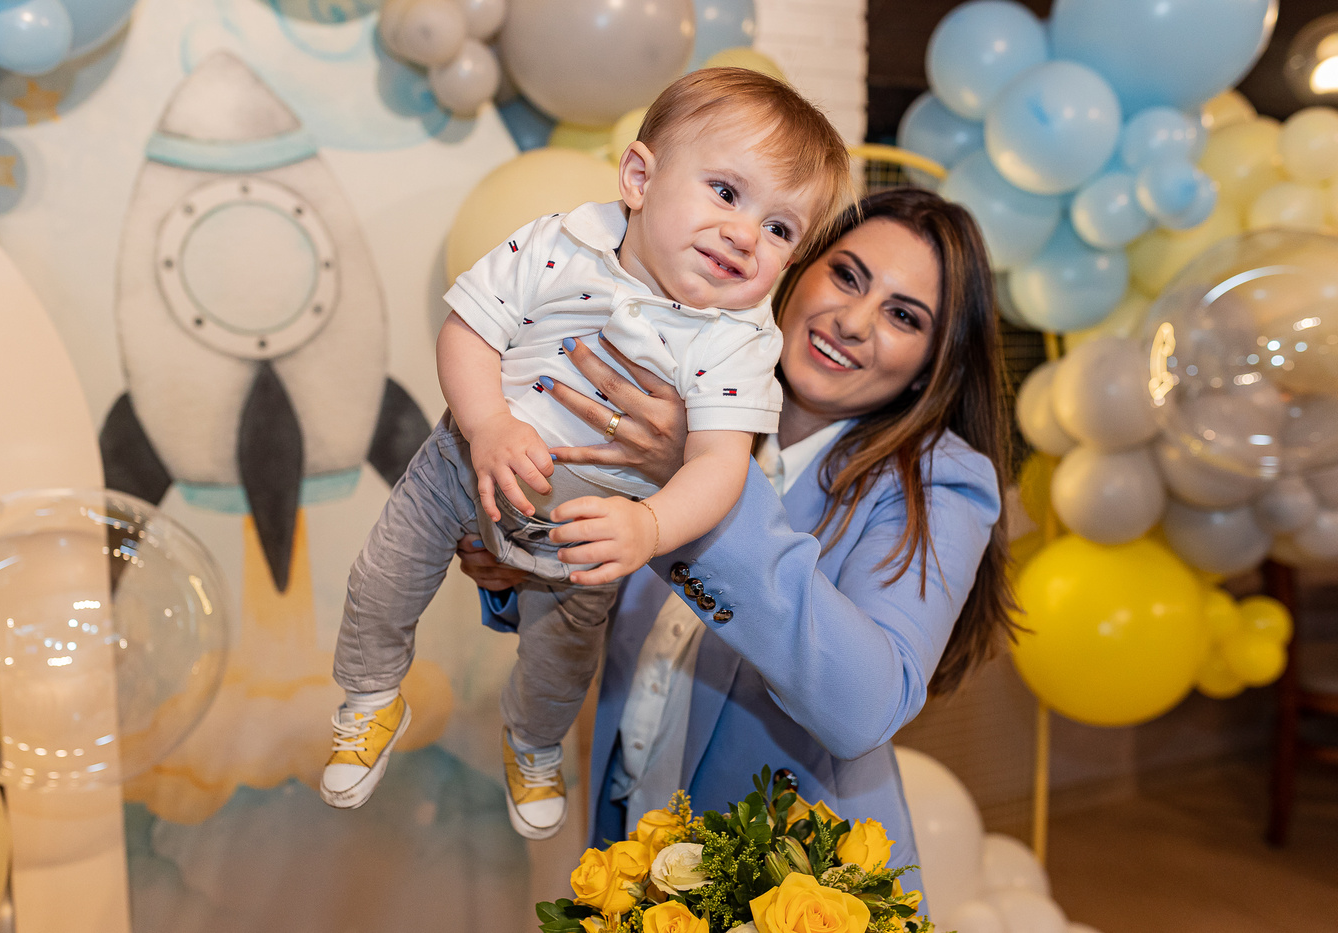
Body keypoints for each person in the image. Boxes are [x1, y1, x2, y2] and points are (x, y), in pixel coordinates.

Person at [320, 68, 853, 840]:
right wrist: (488, 424)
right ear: (639, 177)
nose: (746, 235)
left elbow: (719, 465)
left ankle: (533, 746)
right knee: (382, 579)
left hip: (590, 524)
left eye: (780, 229)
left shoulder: (739, 339)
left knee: (561, 663)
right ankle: (370, 697)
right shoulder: (560, 244)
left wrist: (649, 528)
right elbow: (469, 330)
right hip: (465, 462)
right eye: (726, 193)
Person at [460, 186, 1014, 903]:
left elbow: (864, 707)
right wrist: (524, 568)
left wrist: (706, 483)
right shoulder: (689, 403)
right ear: (797, 270)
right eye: (847, 276)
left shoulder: (938, 480)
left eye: (903, 316)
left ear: (933, 363)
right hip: (635, 860)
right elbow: (619, 616)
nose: (852, 322)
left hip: (799, 894)